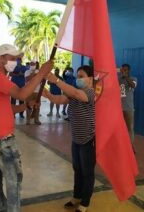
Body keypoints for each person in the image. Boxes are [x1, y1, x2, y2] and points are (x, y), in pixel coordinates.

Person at [0, 44, 53, 212]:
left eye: (16, 59)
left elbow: (5, 107)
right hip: (1, 137)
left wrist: (25, 106)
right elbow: (21, 93)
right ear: (0, 58)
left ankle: (0, 208)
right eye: (12, 58)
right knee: (14, 180)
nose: (15, 62)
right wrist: (42, 73)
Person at [43, 65, 95, 212]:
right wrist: (46, 94)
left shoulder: (91, 93)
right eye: (77, 76)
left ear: (90, 79)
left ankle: (85, 202)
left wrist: (57, 81)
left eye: (81, 76)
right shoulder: (74, 93)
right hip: (76, 139)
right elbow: (59, 99)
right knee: (77, 169)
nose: (78, 79)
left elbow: (78, 95)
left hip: (88, 139)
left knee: (87, 172)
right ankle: (76, 197)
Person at [119, 63, 137, 143]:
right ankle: (122, 147)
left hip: (129, 109)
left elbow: (133, 85)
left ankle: (131, 148)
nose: (124, 71)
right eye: (122, 70)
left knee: (130, 128)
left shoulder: (133, 79)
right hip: (119, 109)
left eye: (125, 70)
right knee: (120, 129)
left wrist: (126, 77)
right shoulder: (118, 79)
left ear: (129, 70)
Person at [24, 61, 42, 125]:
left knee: (37, 106)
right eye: (31, 64)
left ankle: (36, 119)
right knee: (28, 106)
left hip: (37, 91)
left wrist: (37, 74)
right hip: (29, 91)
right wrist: (33, 74)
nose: (33, 65)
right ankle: (28, 120)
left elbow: (41, 80)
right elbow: (27, 79)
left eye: (34, 64)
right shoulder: (27, 72)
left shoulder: (39, 71)